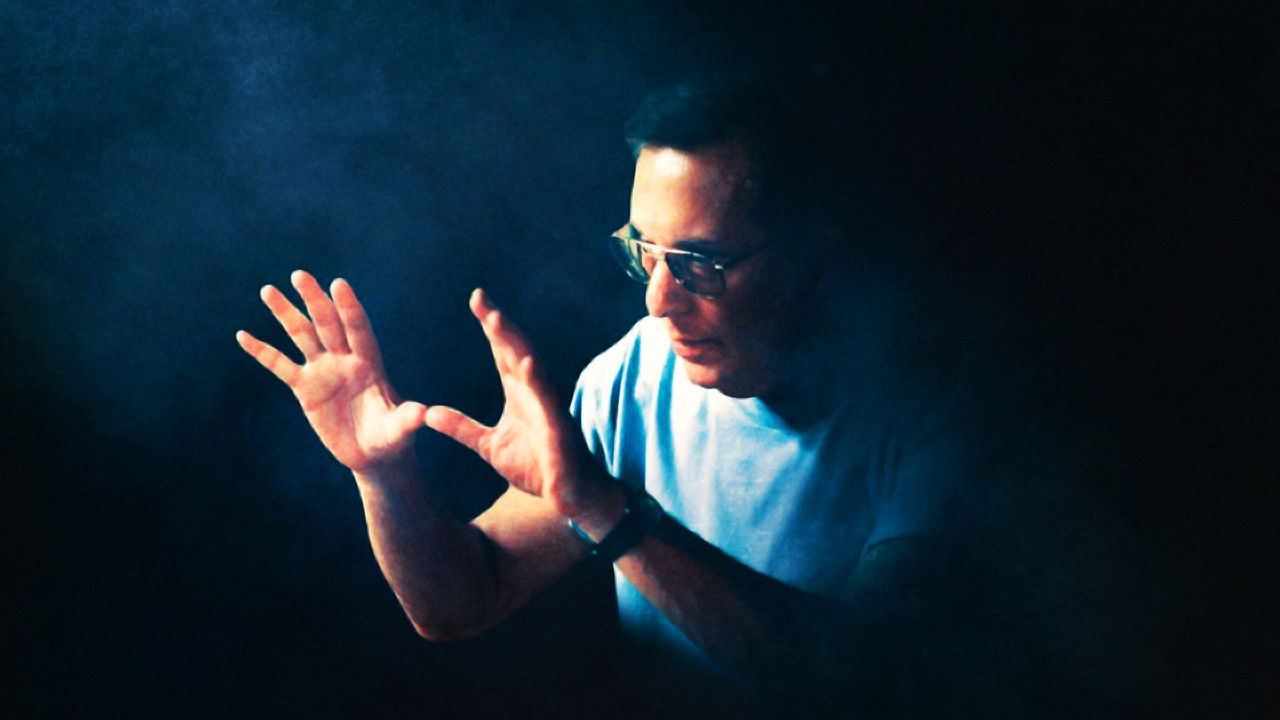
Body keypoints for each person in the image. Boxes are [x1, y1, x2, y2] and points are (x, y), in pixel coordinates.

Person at [236, 79, 996, 716]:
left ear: (811, 252)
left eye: (698, 261)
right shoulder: (634, 374)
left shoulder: (940, 417)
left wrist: (608, 511)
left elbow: (861, 687)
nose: (659, 301)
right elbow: (461, 601)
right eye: (645, 253)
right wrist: (382, 473)